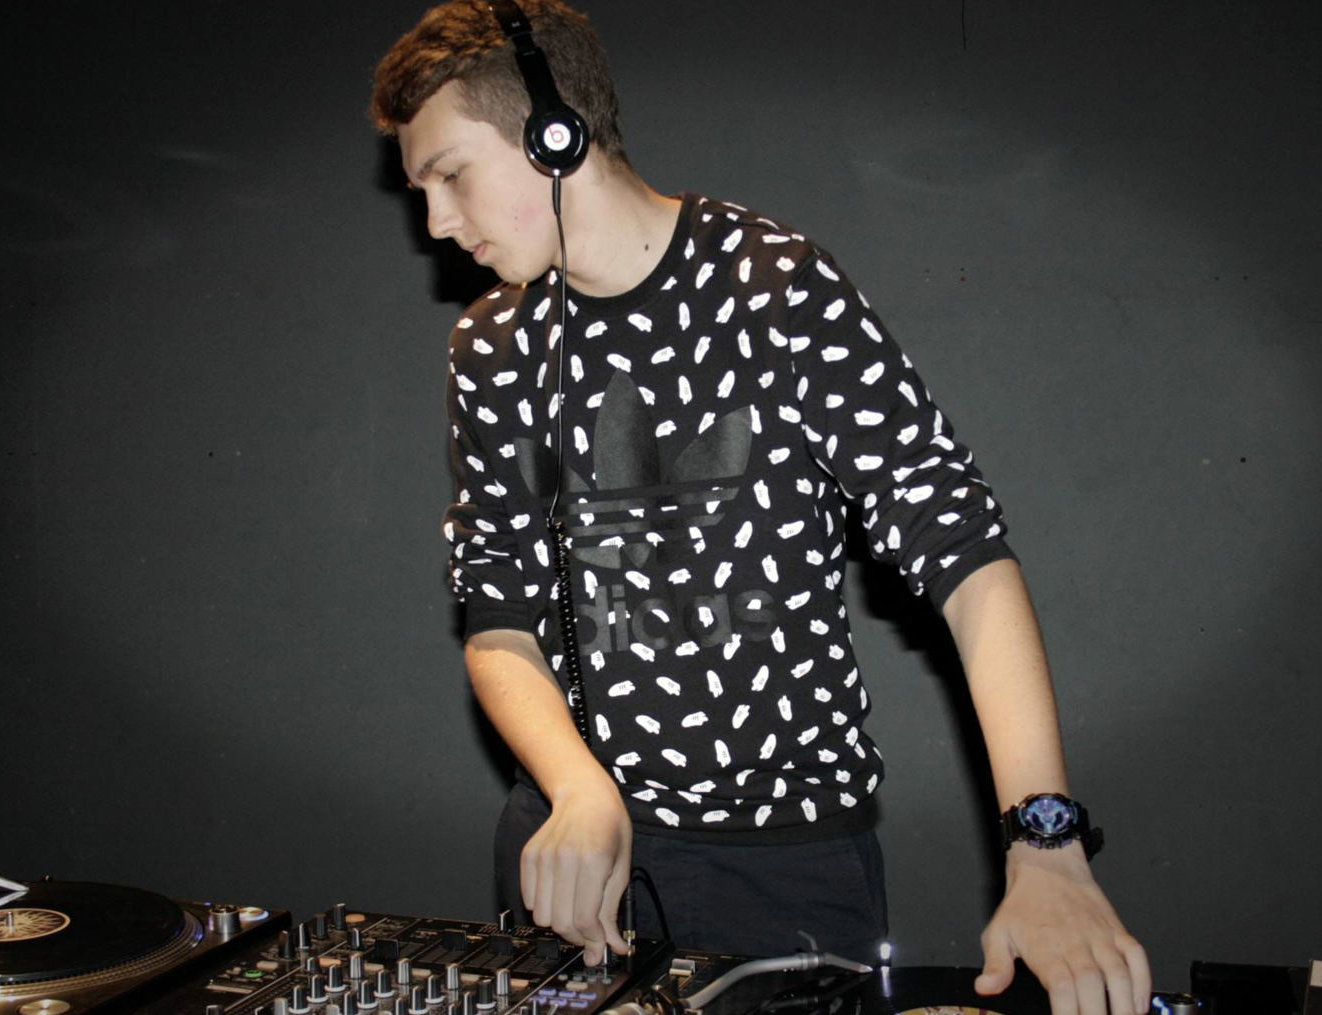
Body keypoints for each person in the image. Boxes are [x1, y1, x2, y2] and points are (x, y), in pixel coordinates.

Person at [370, 3, 1150, 1013]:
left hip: (781, 869)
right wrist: (576, 784)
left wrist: (1044, 844)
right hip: (571, 853)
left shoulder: (776, 287)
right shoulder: (491, 347)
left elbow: (964, 558)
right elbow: (497, 615)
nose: (436, 223)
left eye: (449, 175)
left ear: (552, 135)